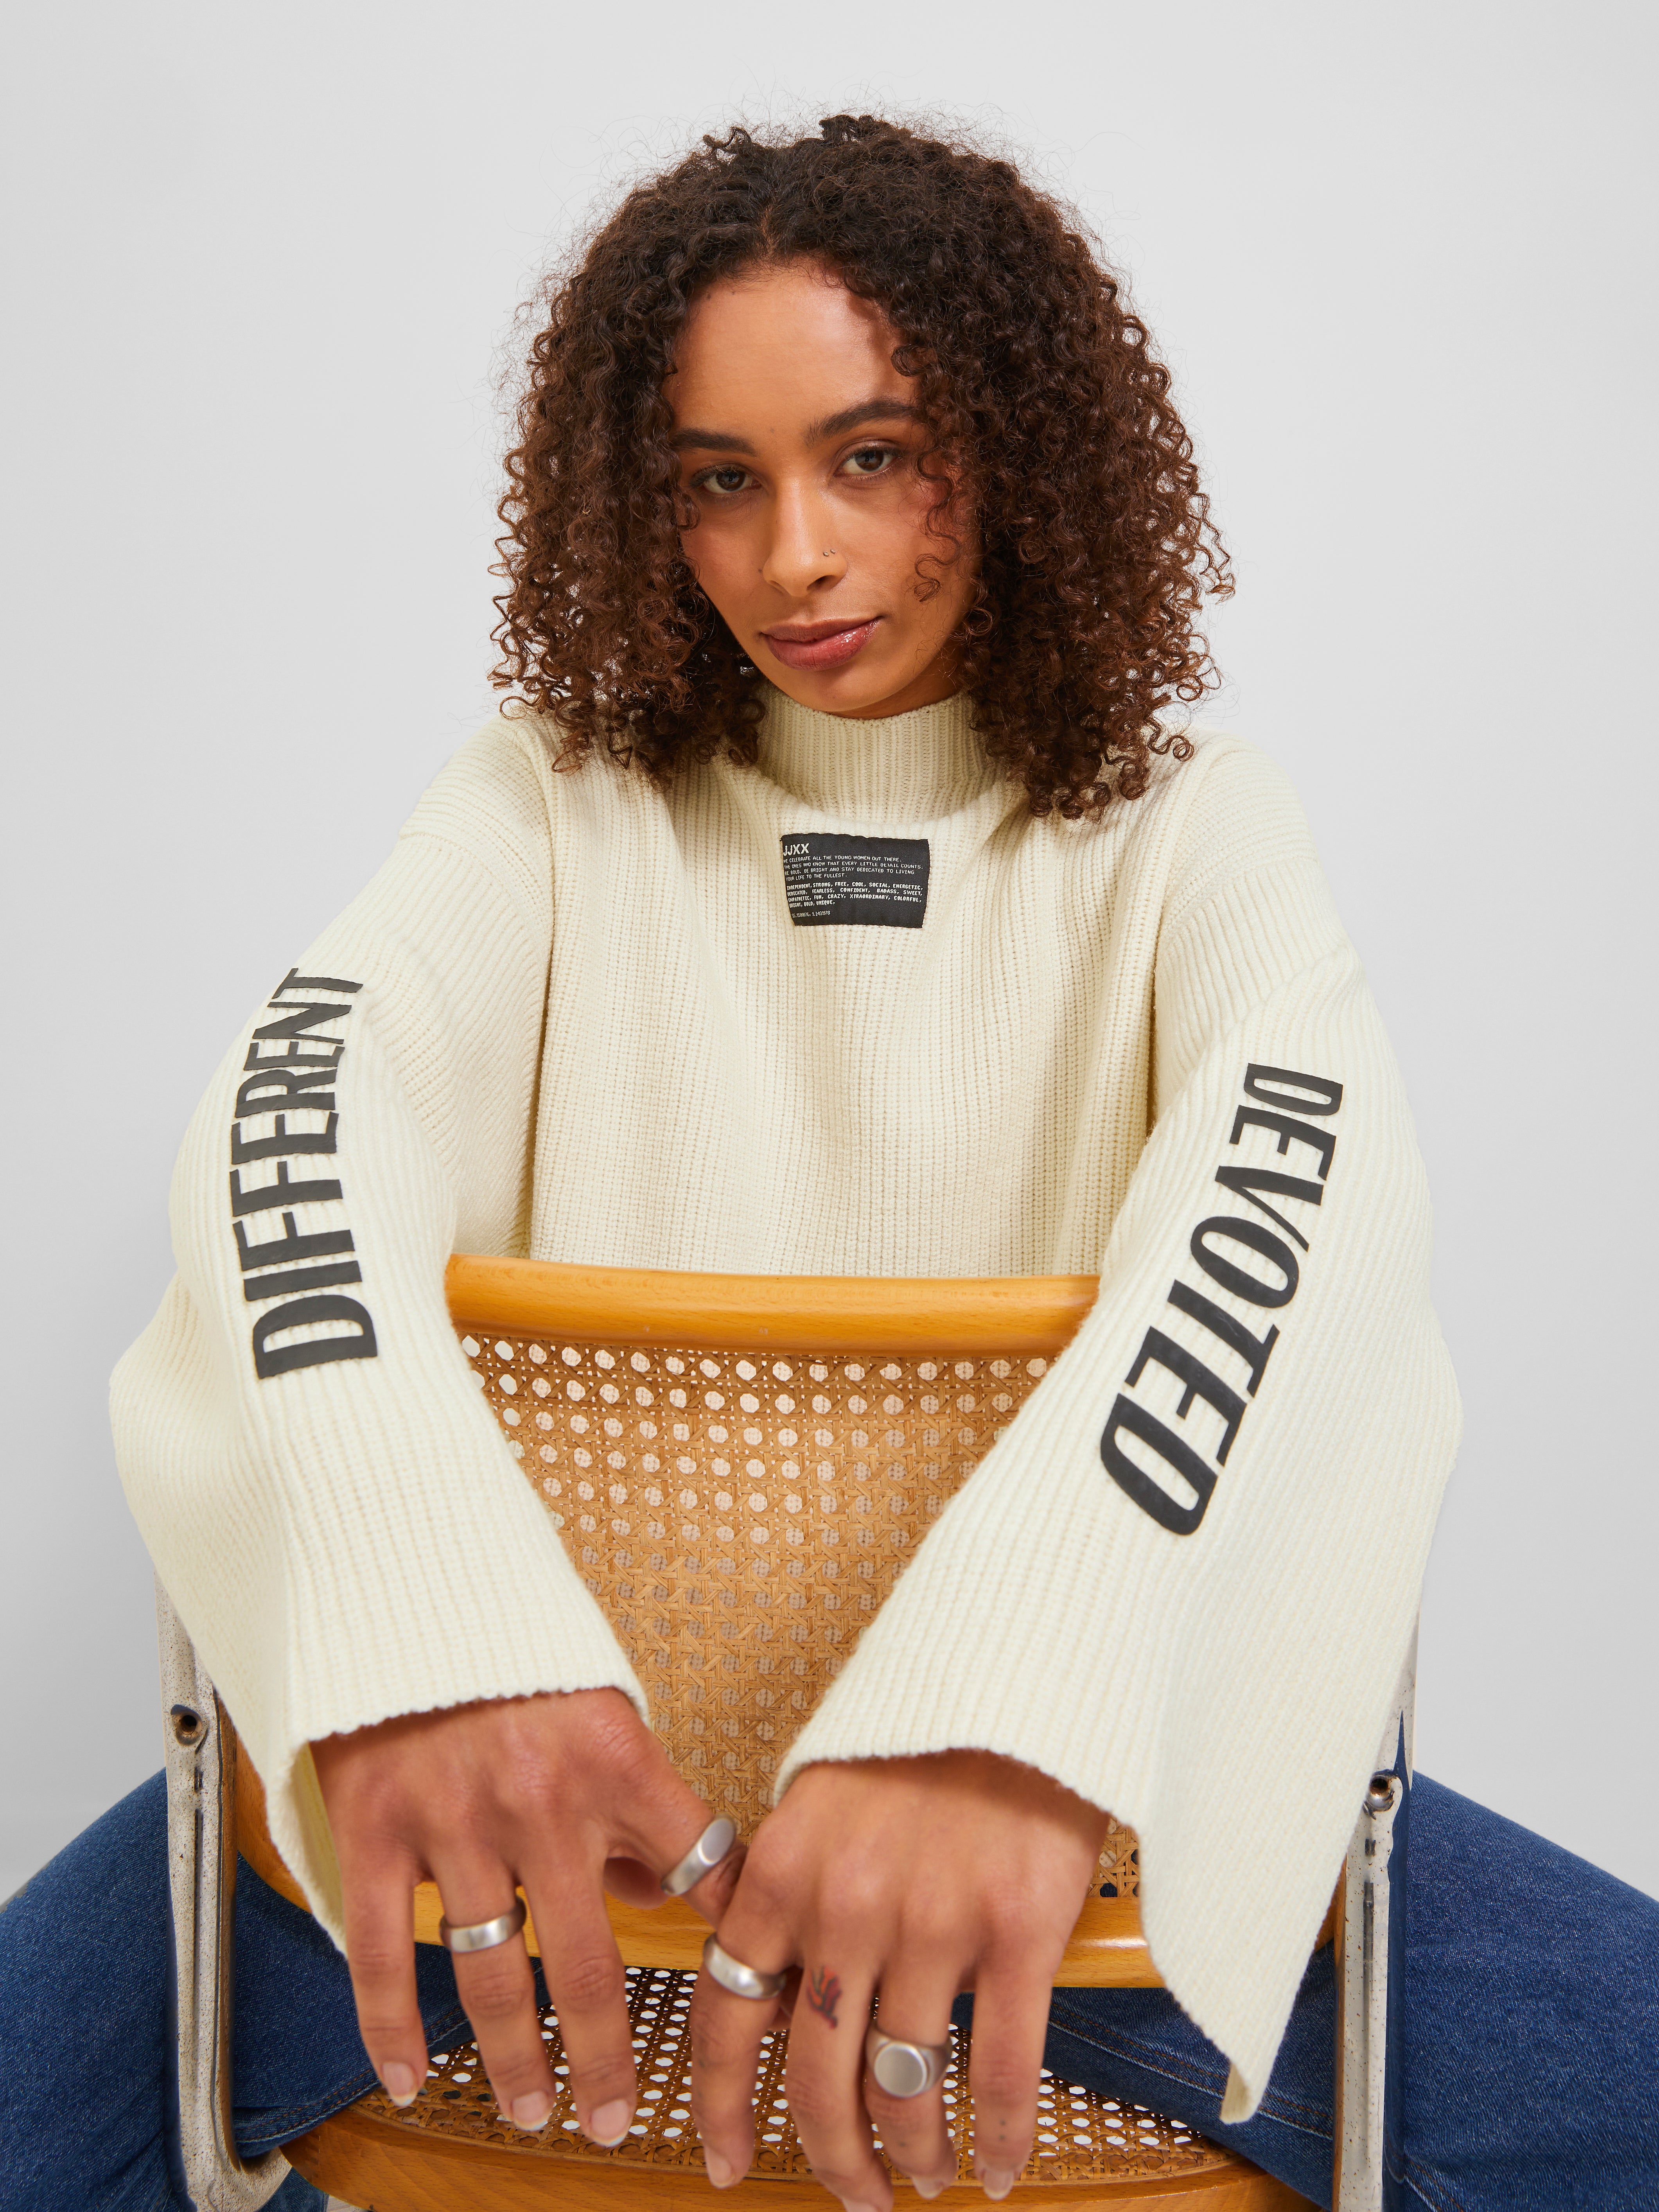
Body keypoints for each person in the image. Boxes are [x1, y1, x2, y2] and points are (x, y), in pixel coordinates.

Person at [2, 115, 1654, 2212]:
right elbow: (293, 1121)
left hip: (1064, 1875)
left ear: (1018, 452)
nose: (793, 554)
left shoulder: (1189, 831)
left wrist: (994, 1723)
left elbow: (1290, 1226)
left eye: (875, 456)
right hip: (528, 1848)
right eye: (719, 478)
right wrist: (432, 1636)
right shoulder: (543, 807)